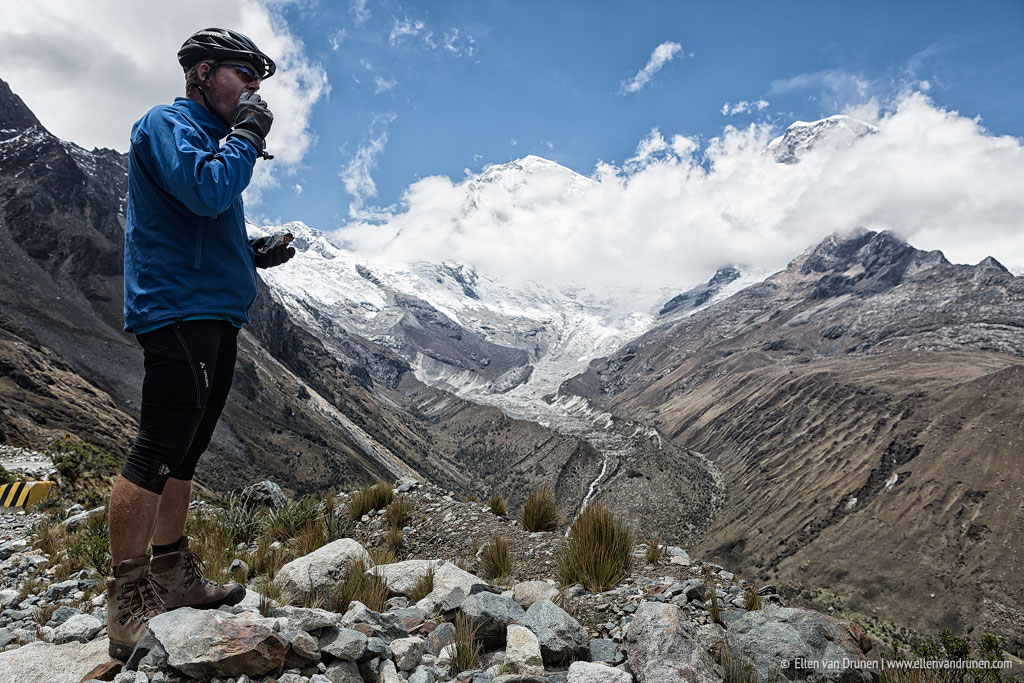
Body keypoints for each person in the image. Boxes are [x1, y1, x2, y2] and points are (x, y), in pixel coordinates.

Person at [106, 27, 295, 661]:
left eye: (258, 78)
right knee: (158, 446)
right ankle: (127, 600)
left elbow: (200, 221)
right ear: (202, 73)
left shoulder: (211, 140)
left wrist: (249, 253)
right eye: (244, 73)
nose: (254, 87)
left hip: (211, 309)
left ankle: (172, 575)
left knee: (186, 451)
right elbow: (205, 191)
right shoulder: (167, 124)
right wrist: (247, 135)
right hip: (177, 309)